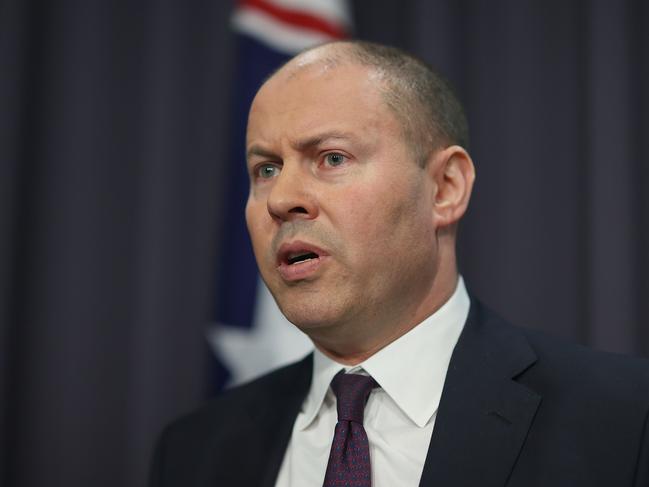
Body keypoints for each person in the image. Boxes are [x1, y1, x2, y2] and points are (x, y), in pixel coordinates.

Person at [149, 41, 649, 487]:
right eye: (266, 169)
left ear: (445, 188)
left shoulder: (625, 418)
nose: (281, 199)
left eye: (332, 158)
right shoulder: (193, 451)